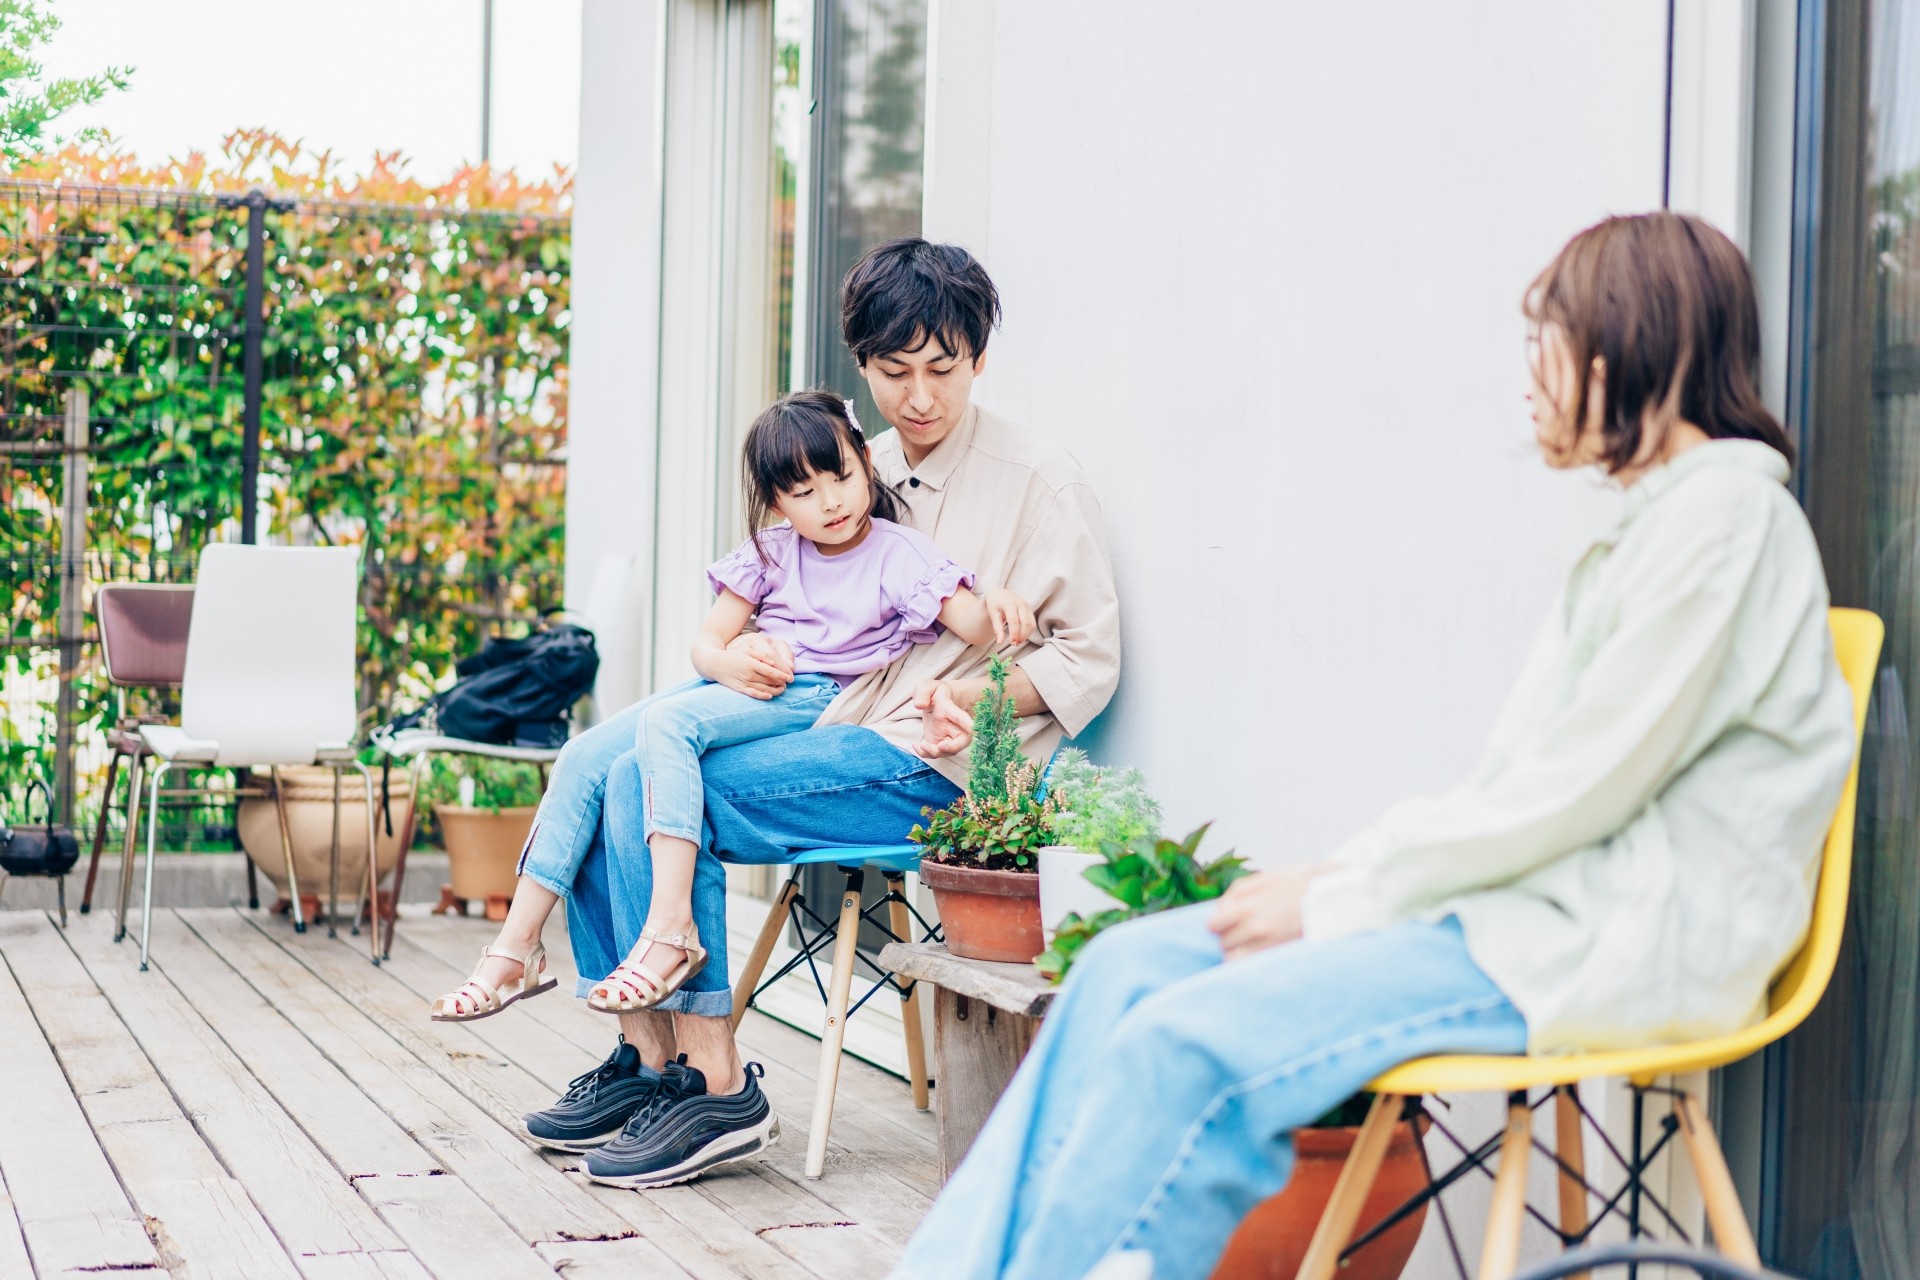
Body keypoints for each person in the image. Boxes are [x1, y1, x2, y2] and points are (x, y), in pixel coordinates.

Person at [888, 211, 1859, 1280]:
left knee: (1190, 1044)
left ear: (1621, 348)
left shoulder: (1724, 526)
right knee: (1122, 965)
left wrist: (1336, 892)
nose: (1528, 381)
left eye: (1546, 343)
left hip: (1599, 943)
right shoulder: (1665, 525)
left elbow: (1566, 795)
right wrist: (1347, 884)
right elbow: (1546, 793)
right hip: (1521, 915)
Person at [485, 239, 1122, 1190]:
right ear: (860, 366)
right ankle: (652, 1061)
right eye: (893, 372)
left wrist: (972, 696)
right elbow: (769, 594)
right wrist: (732, 655)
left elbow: (1086, 658)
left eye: (942, 371)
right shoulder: (850, 469)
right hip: (823, 728)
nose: (918, 397)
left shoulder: (1037, 481)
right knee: (615, 769)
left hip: (930, 766)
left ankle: (714, 1087)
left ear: (978, 359)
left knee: (667, 781)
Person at [428, 390, 1036, 1021]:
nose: (830, 502)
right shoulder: (772, 551)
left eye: (842, 477)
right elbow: (706, 643)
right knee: (583, 756)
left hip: (816, 696)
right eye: (803, 491)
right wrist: (727, 660)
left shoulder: (894, 551)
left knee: (663, 727)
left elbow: (968, 619)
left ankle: (670, 928)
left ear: (866, 462)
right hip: (730, 690)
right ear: (776, 502)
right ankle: (515, 947)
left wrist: (997, 604)